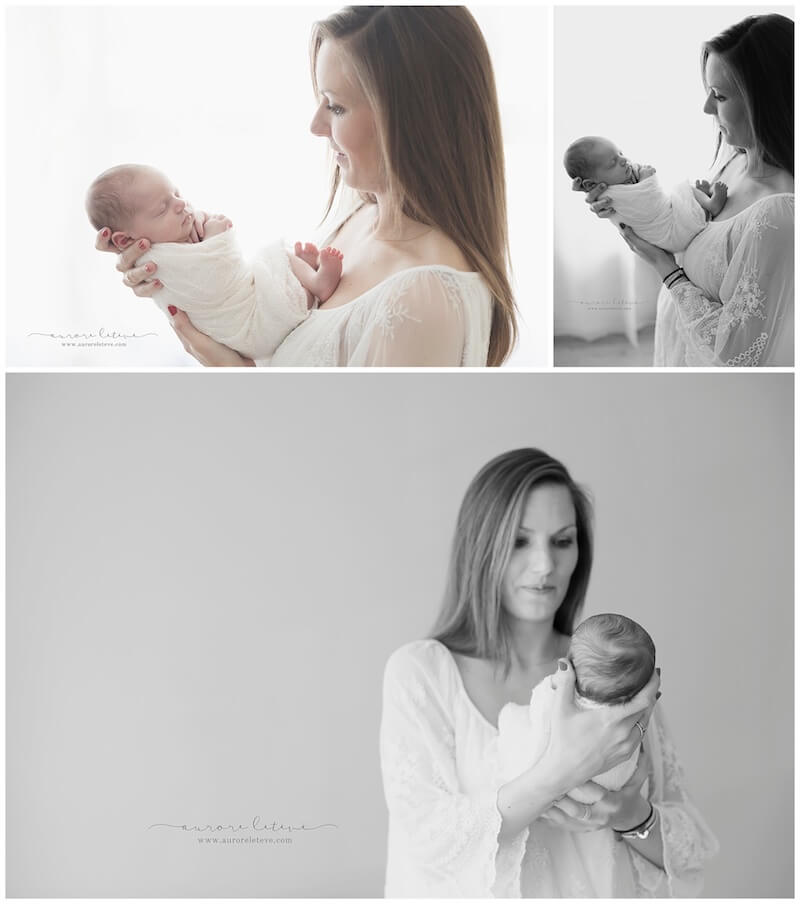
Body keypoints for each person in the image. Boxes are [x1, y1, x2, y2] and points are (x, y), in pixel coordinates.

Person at [94, 7, 517, 366]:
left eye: (335, 105)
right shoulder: (358, 210)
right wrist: (174, 267)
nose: (315, 126)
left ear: (413, 118)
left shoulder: (423, 302)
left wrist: (236, 378)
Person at [379, 449, 718, 897]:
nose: (544, 566)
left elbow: (691, 847)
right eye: (520, 541)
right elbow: (426, 844)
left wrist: (628, 813)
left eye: (562, 541)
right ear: (481, 546)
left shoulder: (609, 675)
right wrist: (558, 773)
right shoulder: (422, 674)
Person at [582, 14, 794, 366]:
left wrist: (663, 266)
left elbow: (736, 354)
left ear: (768, 100)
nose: (707, 108)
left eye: (720, 96)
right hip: (676, 347)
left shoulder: (779, 215)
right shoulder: (735, 159)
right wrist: (624, 203)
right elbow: (687, 232)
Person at [86, 164, 344, 359]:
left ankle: (305, 278)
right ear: (124, 239)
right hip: (253, 326)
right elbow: (219, 273)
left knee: (271, 265)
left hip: (246, 340)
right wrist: (218, 235)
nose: (181, 204)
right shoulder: (155, 262)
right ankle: (315, 282)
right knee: (274, 255)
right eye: (162, 209)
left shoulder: (158, 245)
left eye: (176, 193)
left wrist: (200, 223)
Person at [566, 137, 728, 251]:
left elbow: (636, 176)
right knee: (683, 190)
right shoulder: (610, 197)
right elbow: (649, 201)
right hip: (670, 233)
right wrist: (647, 178)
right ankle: (710, 205)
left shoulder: (616, 181)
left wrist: (640, 173)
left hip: (668, 233)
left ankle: (701, 202)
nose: (624, 160)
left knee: (683, 196)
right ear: (591, 183)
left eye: (620, 153)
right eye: (613, 163)